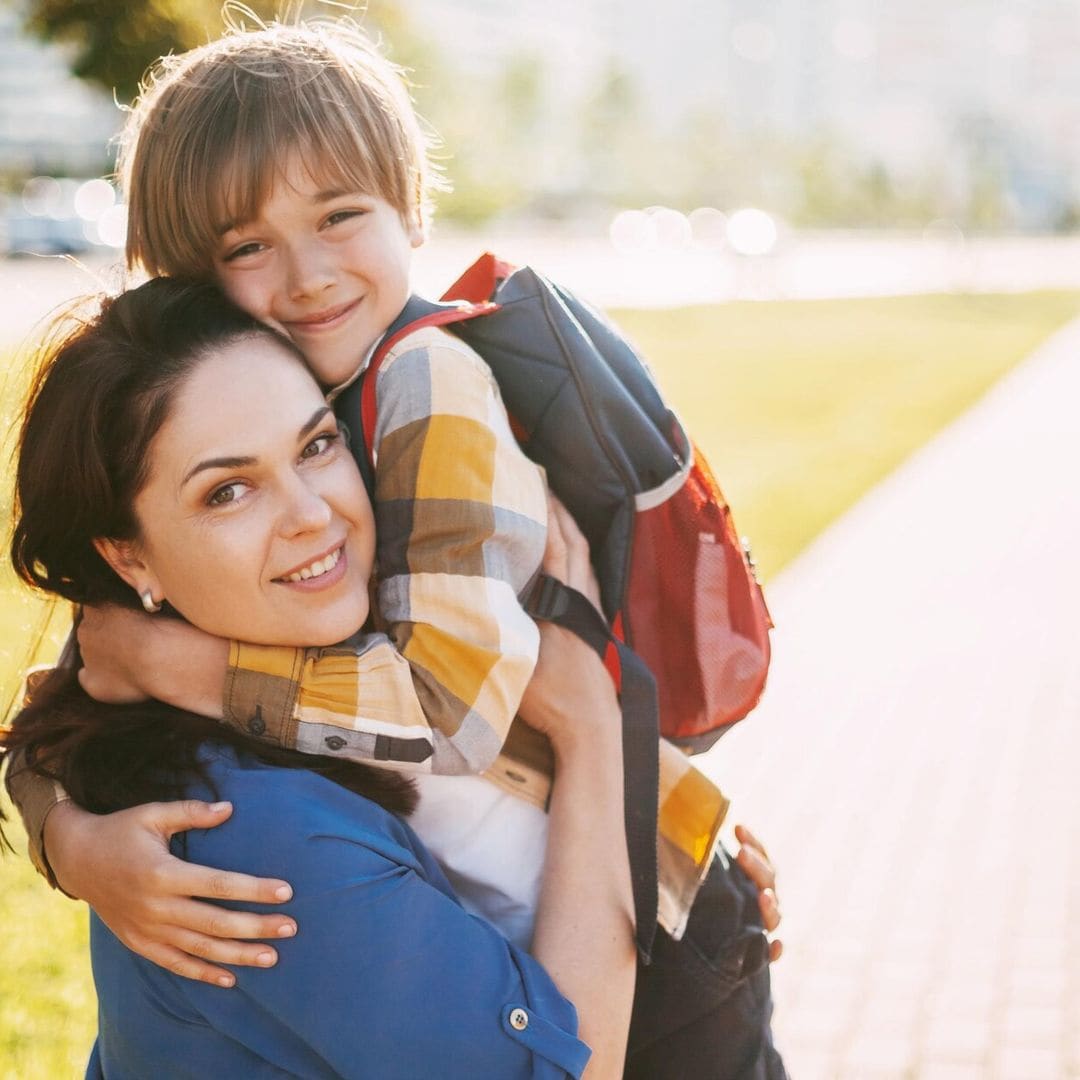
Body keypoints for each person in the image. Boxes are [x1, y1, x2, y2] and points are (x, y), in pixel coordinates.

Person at [5, 19, 785, 1076]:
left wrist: (192, 666)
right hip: (553, 904)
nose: (307, 275)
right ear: (182, 281)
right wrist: (73, 841)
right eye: (246, 247)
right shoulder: (281, 396)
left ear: (409, 208)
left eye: (340, 218)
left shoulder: (427, 382)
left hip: (649, 907)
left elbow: (451, 705)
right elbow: (63, 709)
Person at [2, 277, 636, 1078]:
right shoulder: (255, 835)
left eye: (316, 445)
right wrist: (592, 730)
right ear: (127, 557)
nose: (311, 513)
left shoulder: (354, 666)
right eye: (227, 491)